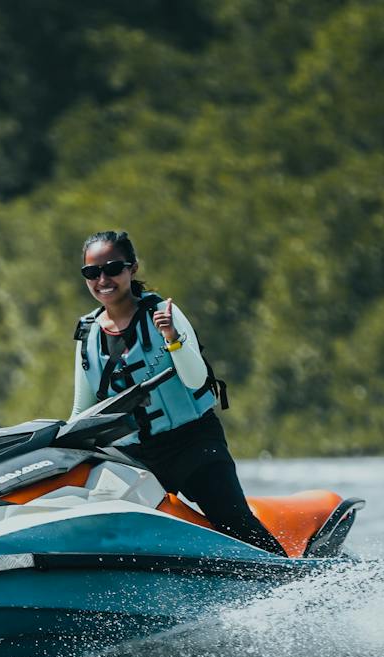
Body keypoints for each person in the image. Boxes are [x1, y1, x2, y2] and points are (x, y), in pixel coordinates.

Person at [72, 230, 286, 557]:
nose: (103, 279)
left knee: (233, 521)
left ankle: (290, 580)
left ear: (132, 269)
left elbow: (194, 377)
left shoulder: (164, 313)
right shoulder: (87, 332)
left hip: (193, 443)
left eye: (113, 269)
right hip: (136, 458)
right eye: (92, 272)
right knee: (121, 533)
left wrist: (171, 336)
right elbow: (82, 411)